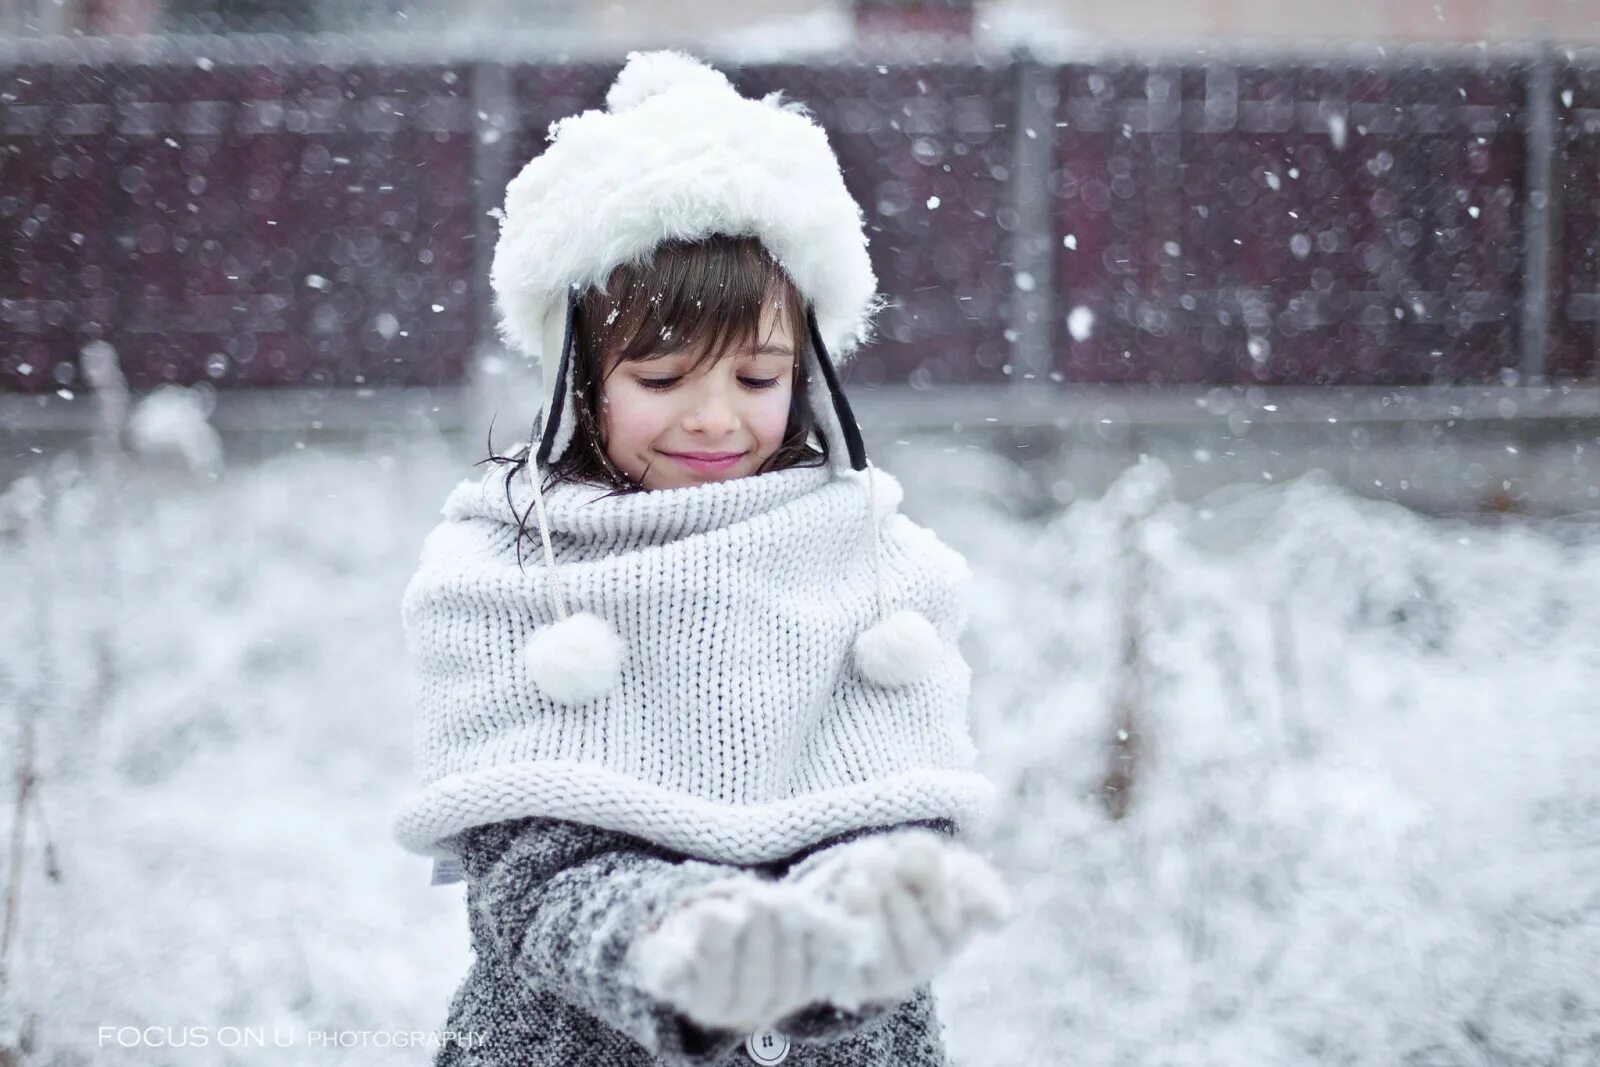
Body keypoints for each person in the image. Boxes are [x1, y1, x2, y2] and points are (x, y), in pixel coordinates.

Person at [391, 49, 1014, 1066]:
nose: (717, 417)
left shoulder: (871, 562)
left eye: (760, 374)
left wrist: (861, 910)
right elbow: (534, 877)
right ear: (579, 379)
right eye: (663, 373)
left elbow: (900, 819)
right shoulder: (505, 577)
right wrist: (688, 943)